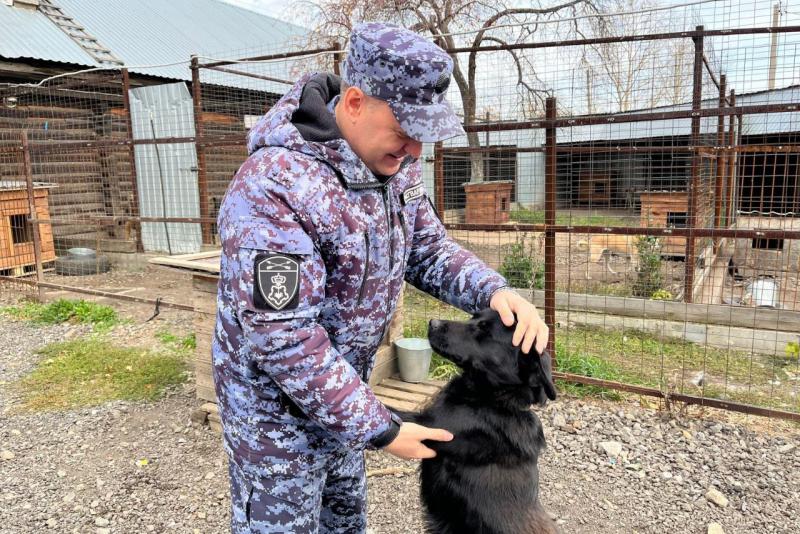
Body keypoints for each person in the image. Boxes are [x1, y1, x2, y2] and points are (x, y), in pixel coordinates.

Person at [213, 21, 549, 534]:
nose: (415, 150)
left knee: (344, 525)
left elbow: (428, 249)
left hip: (345, 401)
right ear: (353, 103)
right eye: (405, 131)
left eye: (423, 135)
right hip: (276, 423)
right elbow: (283, 337)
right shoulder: (273, 188)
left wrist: (496, 291)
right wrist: (383, 428)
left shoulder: (393, 168)